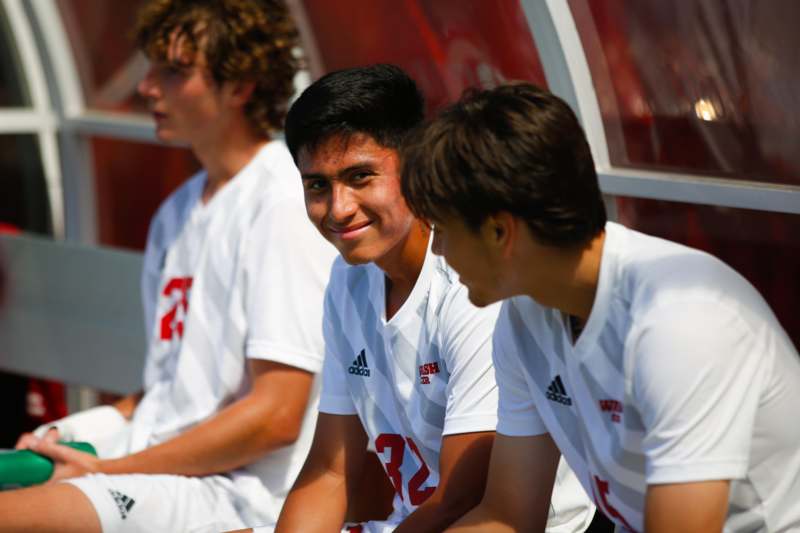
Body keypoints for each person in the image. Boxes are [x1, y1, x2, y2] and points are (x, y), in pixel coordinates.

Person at [400, 82, 800, 532]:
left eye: (443, 230)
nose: (438, 252)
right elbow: (507, 516)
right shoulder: (525, 316)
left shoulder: (681, 320)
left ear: (499, 232)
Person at [0, 1, 337, 531]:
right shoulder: (177, 212)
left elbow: (276, 415)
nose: (147, 88)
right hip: (164, 474)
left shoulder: (284, 204)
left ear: (240, 86)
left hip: (236, 497)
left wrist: (107, 469)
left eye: (174, 73)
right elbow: (166, 394)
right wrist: (69, 434)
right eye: (151, 68)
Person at [267, 64, 593, 533]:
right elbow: (330, 471)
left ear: (415, 166)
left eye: (360, 176)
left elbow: (462, 499)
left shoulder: (474, 285)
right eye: (317, 185)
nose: (338, 208)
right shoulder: (347, 280)